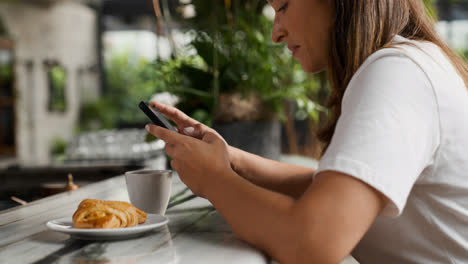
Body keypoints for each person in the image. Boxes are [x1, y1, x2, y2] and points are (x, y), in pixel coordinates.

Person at [146, 0, 468, 263]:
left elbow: (313, 241)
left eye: (283, 6)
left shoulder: (397, 73)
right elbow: (330, 192)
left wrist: (214, 180)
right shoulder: (411, 61)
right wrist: (229, 160)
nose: (276, 33)